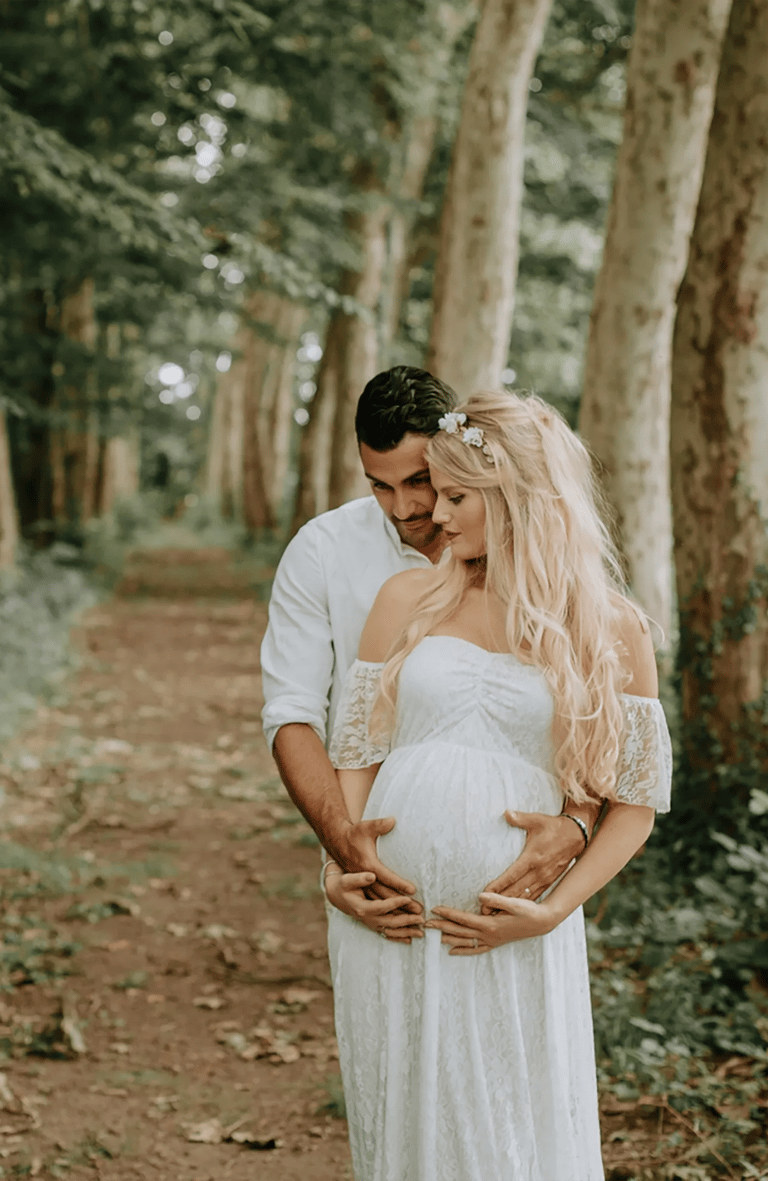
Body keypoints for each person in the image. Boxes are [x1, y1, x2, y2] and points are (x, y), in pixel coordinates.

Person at [322, 390, 672, 1181]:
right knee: (403, 1132)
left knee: (505, 1134)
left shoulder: (611, 626)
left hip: (508, 931)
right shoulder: (405, 599)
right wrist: (339, 868)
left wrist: (550, 911)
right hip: (394, 921)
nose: (433, 516)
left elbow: (636, 805)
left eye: (454, 496)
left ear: (515, 496)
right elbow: (358, 756)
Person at [261, 367, 599, 937]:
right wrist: (342, 850)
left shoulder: (540, 574)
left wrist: (579, 823)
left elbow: (592, 714)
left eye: (421, 480)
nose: (405, 508)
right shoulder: (321, 551)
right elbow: (292, 715)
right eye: (379, 485)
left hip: (515, 897)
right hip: (378, 882)